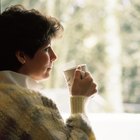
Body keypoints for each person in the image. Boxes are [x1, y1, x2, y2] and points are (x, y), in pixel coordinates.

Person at [0, 4, 97, 140]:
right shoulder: (27, 107)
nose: (54, 56)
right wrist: (79, 100)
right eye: (46, 49)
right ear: (22, 56)